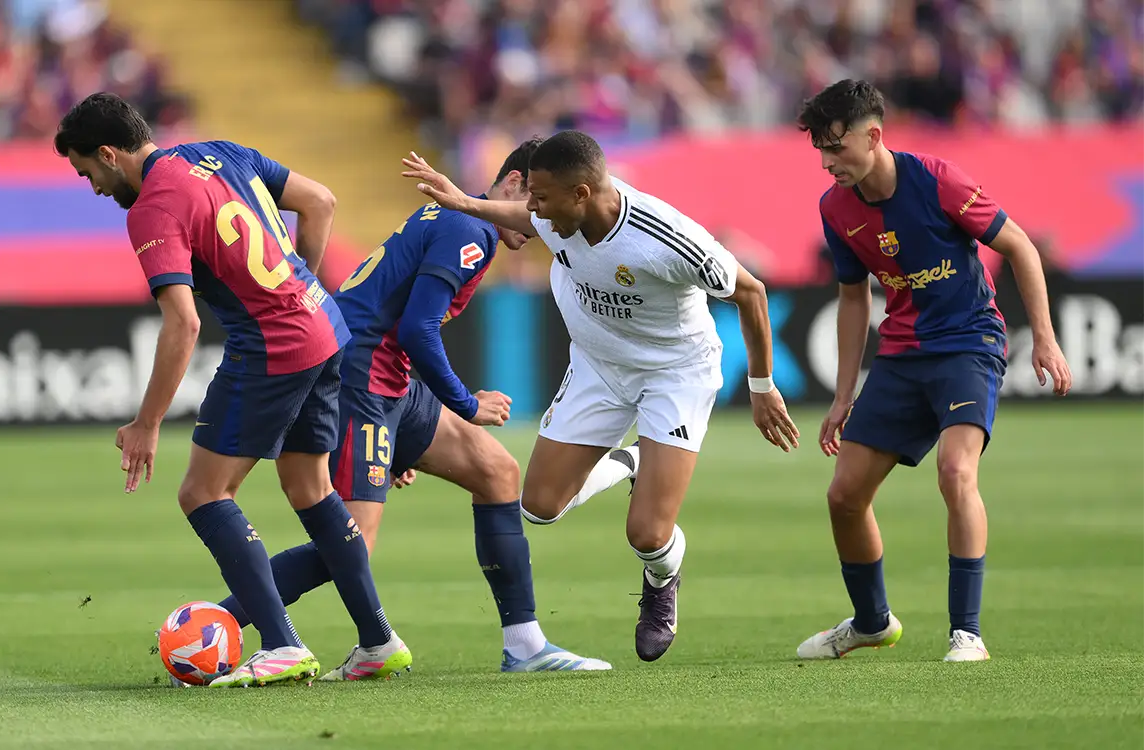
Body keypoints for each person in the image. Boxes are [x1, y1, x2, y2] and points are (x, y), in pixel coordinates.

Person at [217, 138, 623, 674]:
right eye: (538, 202)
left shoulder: (461, 223)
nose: (542, 219)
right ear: (514, 185)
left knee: (497, 472)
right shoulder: (470, 229)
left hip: (390, 381)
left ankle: (525, 647)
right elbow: (417, 328)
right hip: (360, 378)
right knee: (351, 543)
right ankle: (216, 621)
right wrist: (465, 403)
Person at [403, 130, 800, 663]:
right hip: (598, 367)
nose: (534, 210)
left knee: (647, 533)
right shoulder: (555, 209)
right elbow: (523, 218)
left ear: (582, 194)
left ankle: (663, 578)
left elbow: (751, 292)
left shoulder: (665, 237)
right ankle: (634, 459)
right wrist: (462, 200)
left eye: (542, 198)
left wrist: (762, 386)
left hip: (673, 373)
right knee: (539, 507)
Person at [55, 92, 402, 687]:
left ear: (109, 155)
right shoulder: (218, 152)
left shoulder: (152, 210)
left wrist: (147, 422)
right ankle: (377, 640)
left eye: (87, 172)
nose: (93, 187)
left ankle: (282, 644)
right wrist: (302, 285)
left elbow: (184, 322)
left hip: (273, 344)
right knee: (309, 485)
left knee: (203, 493)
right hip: (325, 326)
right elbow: (320, 202)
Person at [794, 79, 1073, 662]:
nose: (827, 162)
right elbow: (853, 299)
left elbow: (1021, 247)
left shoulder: (940, 181)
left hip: (969, 344)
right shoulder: (834, 209)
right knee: (844, 495)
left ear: (873, 136)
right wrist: (844, 395)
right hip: (901, 355)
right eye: (820, 149)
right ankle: (871, 623)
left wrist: (1044, 339)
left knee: (955, 470)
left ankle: (966, 633)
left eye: (836, 147)